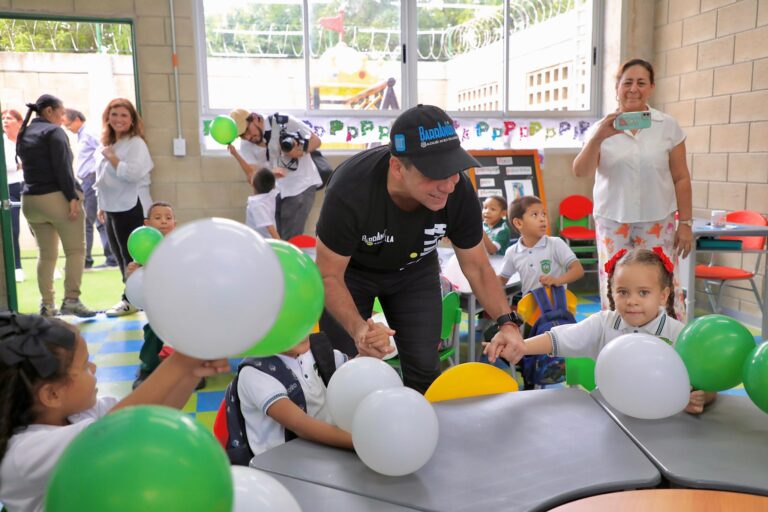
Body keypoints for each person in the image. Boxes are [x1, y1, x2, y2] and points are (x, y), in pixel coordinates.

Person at [316, 104, 526, 393]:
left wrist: (507, 324)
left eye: (453, 170)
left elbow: (477, 266)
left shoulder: (459, 190)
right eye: (435, 174)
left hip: (414, 272)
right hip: (352, 274)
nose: (448, 185)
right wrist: (359, 329)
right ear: (398, 168)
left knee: (425, 369)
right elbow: (328, 275)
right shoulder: (352, 189)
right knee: (344, 367)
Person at [0, 311, 230, 512]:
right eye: (85, 366)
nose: (94, 368)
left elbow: (151, 414)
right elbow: (117, 432)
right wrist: (181, 361)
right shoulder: (23, 454)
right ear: (52, 395)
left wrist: (191, 371)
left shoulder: (79, 414)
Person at [485, 248, 716, 415]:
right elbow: (560, 337)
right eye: (623, 292)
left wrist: (702, 397)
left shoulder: (679, 334)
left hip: (662, 422)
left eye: (643, 293)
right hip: (610, 417)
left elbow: (708, 382)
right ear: (612, 293)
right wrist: (523, 346)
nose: (632, 301)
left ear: (663, 296)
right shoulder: (604, 323)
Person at [572, 58, 691, 318]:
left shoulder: (667, 126)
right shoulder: (599, 129)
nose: (633, 89)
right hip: (612, 219)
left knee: (660, 280)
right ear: (617, 87)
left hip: (657, 218)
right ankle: (618, 340)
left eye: (641, 82)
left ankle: (667, 339)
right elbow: (580, 171)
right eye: (627, 82)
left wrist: (686, 223)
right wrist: (598, 136)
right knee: (616, 282)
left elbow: (681, 177)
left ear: (651, 87)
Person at [15, 94, 95, 318]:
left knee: (46, 254)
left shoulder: (24, 131)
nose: (62, 120)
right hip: (56, 198)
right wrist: (72, 196)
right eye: (60, 114)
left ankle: (47, 305)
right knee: (76, 250)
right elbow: (63, 167)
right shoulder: (54, 132)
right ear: (49, 111)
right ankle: (71, 300)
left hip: (30, 201)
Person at [228, 334, 353, 462]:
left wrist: (369, 349)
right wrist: (358, 442)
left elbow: (357, 370)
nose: (303, 331)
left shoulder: (317, 349)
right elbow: (301, 426)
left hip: (326, 449)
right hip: (281, 467)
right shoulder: (255, 373)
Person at [94, 98, 153, 317]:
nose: (118, 119)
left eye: (124, 115)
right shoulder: (110, 144)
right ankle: (131, 296)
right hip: (112, 207)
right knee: (119, 256)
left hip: (131, 205)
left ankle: (133, 299)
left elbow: (134, 174)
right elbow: (101, 179)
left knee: (132, 257)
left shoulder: (136, 143)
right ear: (108, 118)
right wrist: (101, 205)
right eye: (114, 114)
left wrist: (113, 159)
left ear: (132, 120)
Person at [227, 109, 322, 240]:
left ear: (255, 118)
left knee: (289, 239)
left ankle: (288, 259)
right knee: (276, 239)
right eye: (242, 136)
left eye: (248, 131)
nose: (248, 137)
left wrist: (299, 151)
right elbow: (253, 176)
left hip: (301, 185)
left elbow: (316, 141)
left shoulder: (283, 122)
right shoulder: (246, 144)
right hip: (276, 192)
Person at [126, 202, 187, 389]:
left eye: (168, 218)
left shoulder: (178, 246)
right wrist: (132, 271)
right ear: (147, 223)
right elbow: (136, 278)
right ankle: (147, 366)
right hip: (156, 302)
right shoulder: (145, 247)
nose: (164, 222)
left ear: (175, 224)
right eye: (158, 218)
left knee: (186, 333)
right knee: (154, 330)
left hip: (180, 301)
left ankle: (189, 367)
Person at [63, 109, 117, 270]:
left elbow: (105, 148)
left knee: (88, 219)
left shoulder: (88, 133)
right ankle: (110, 257)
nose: (68, 128)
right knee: (96, 220)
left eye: (69, 124)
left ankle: (87, 259)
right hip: (86, 180)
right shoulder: (81, 135)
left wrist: (99, 171)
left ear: (78, 119)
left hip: (91, 178)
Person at [498, 195, 585, 295]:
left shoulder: (555, 243)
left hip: (557, 305)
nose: (542, 219)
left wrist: (558, 280)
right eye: (535, 215)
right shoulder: (512, 252)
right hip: (530, 308)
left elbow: (578, 270)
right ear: (518, 223)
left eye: (543, 214)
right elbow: (502, 279)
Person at [2, 109, 25, 282]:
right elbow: (7, 166)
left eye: (9, 118)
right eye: (3, 118)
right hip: (9, 187)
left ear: (19, 121)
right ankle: (17, 267)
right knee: (13, 229)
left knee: (37, 228)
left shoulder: (25, 140)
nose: (5, 121)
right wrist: (19, 166)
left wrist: (19, 166)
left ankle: (51, 266)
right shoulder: (2, 141)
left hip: (28, 185)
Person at [245, 167, 280, 239]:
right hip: (261, 240)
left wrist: (280, 244)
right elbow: (273, 185)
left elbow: (270, 227)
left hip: (260, 241)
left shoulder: (257, 204)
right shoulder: (271, 194)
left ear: (253, 183)